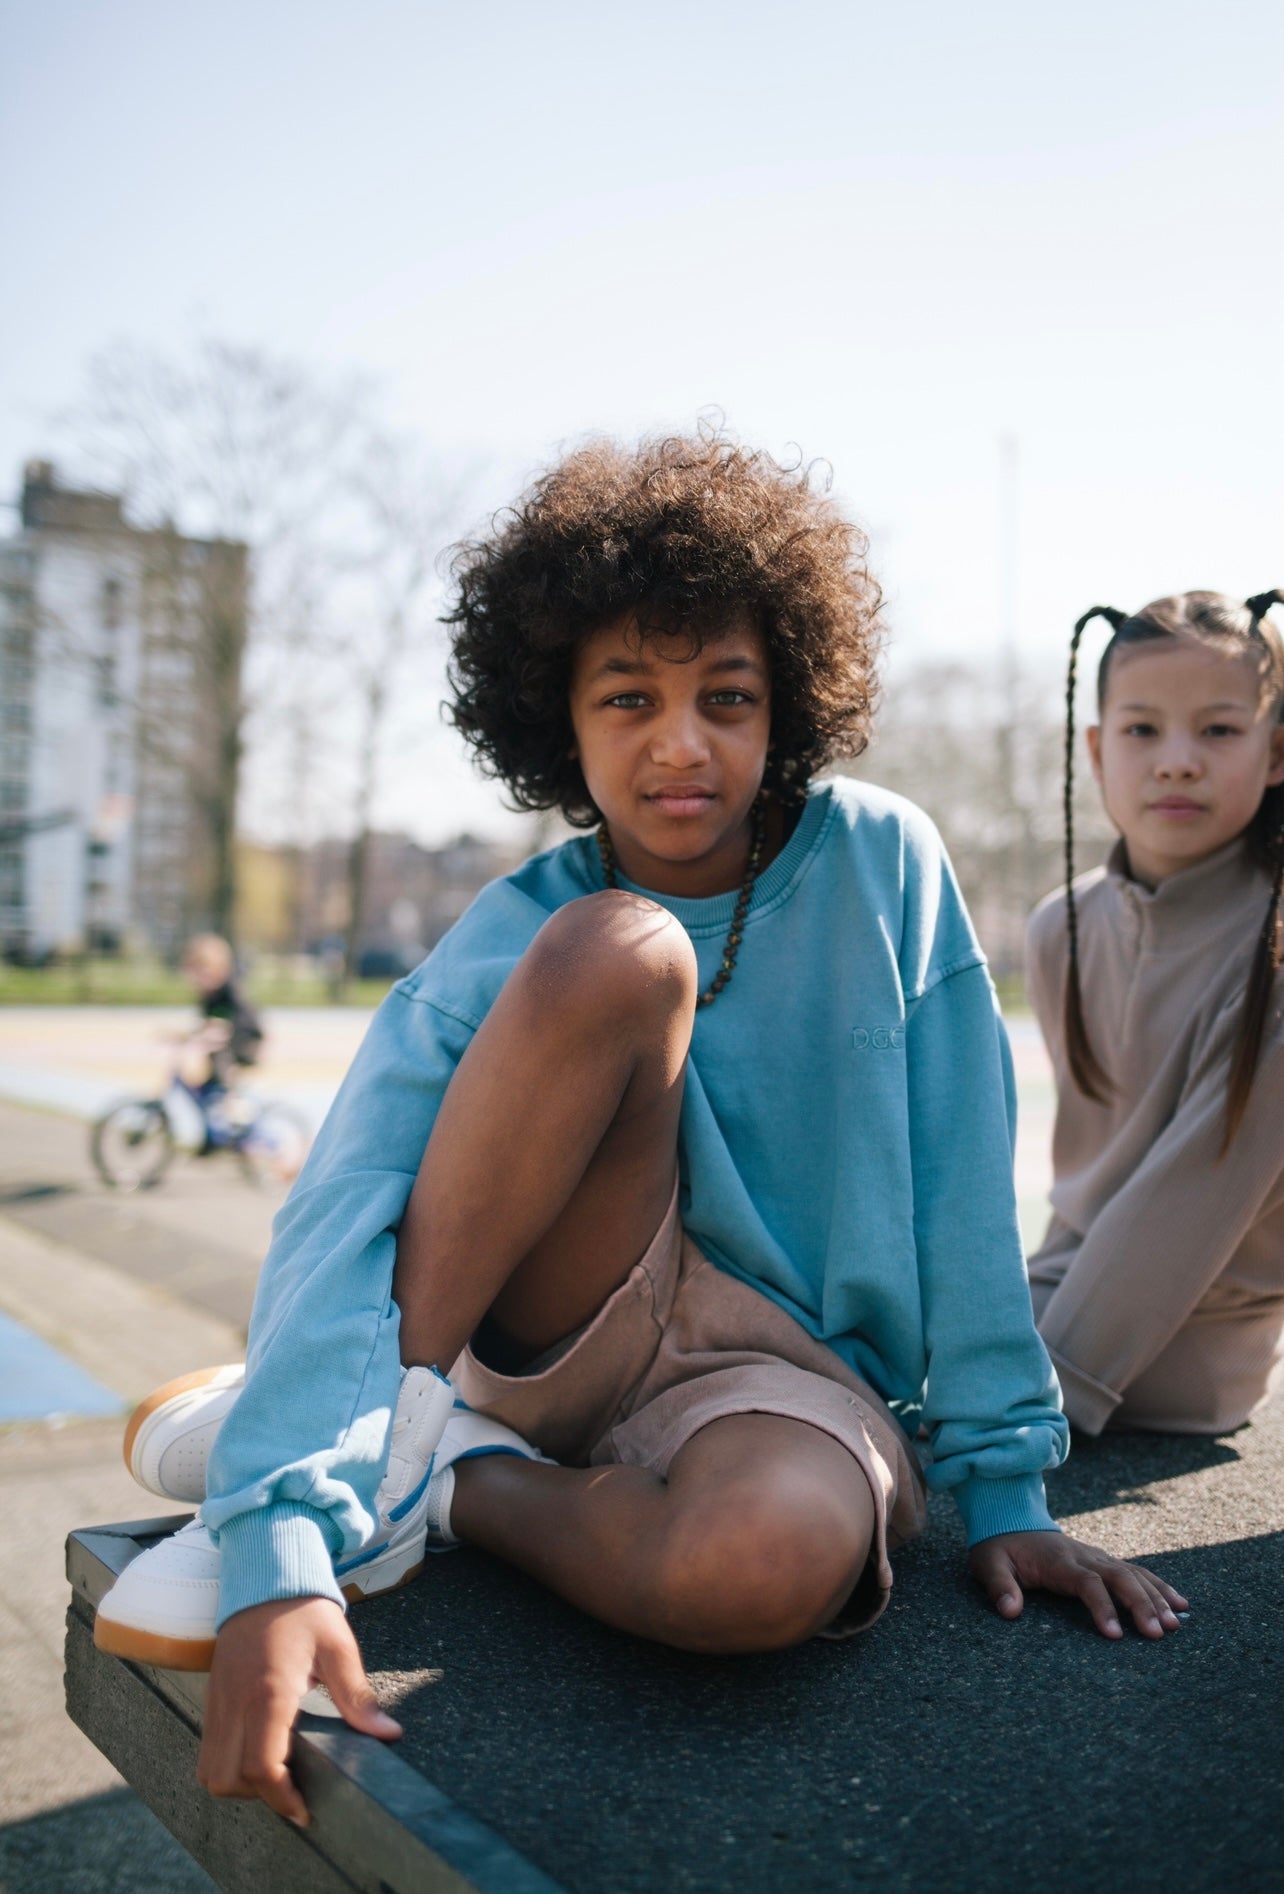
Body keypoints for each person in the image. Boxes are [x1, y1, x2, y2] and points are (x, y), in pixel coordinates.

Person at [94, 431, 1185, 1829]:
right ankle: (381, 1451)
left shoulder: (880, 861)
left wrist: (1006, 1485)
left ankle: (462, 1483)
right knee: (620, 948)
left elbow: (966, 1181)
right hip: (562, 1321)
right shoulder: (518, 927)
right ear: (559, 718)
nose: (683, 743)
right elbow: (351, 1194)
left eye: (726, 696)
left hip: (782, 1374)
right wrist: (281, 1534)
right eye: (628, 699)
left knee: (761, 1569)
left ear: (784, 701)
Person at [1026, 590, 1284, 1435]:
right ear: (1097, 751)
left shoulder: (1275, 950)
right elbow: (1083, 1191)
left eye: (1218, 729)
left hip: (1187, 1351)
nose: (1177, 761)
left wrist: (1021, 1394)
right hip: (1055, 1300)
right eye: (1142, 730)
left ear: (1277, 752)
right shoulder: (1057, 926)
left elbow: (1181, 1211)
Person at [173, 934, 264, 1134]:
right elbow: (205, 1024)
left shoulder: (231, 991)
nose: (199, 979)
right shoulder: (208, 995)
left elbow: (241, 1020)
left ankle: (234, 1101)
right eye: (195, 972)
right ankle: (216, 1119)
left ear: (220, 970)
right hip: (226, 1040)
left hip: (245, 1040)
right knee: (208, 1071)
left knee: (222, 1061)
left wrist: (218, 1029)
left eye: (204, 972)